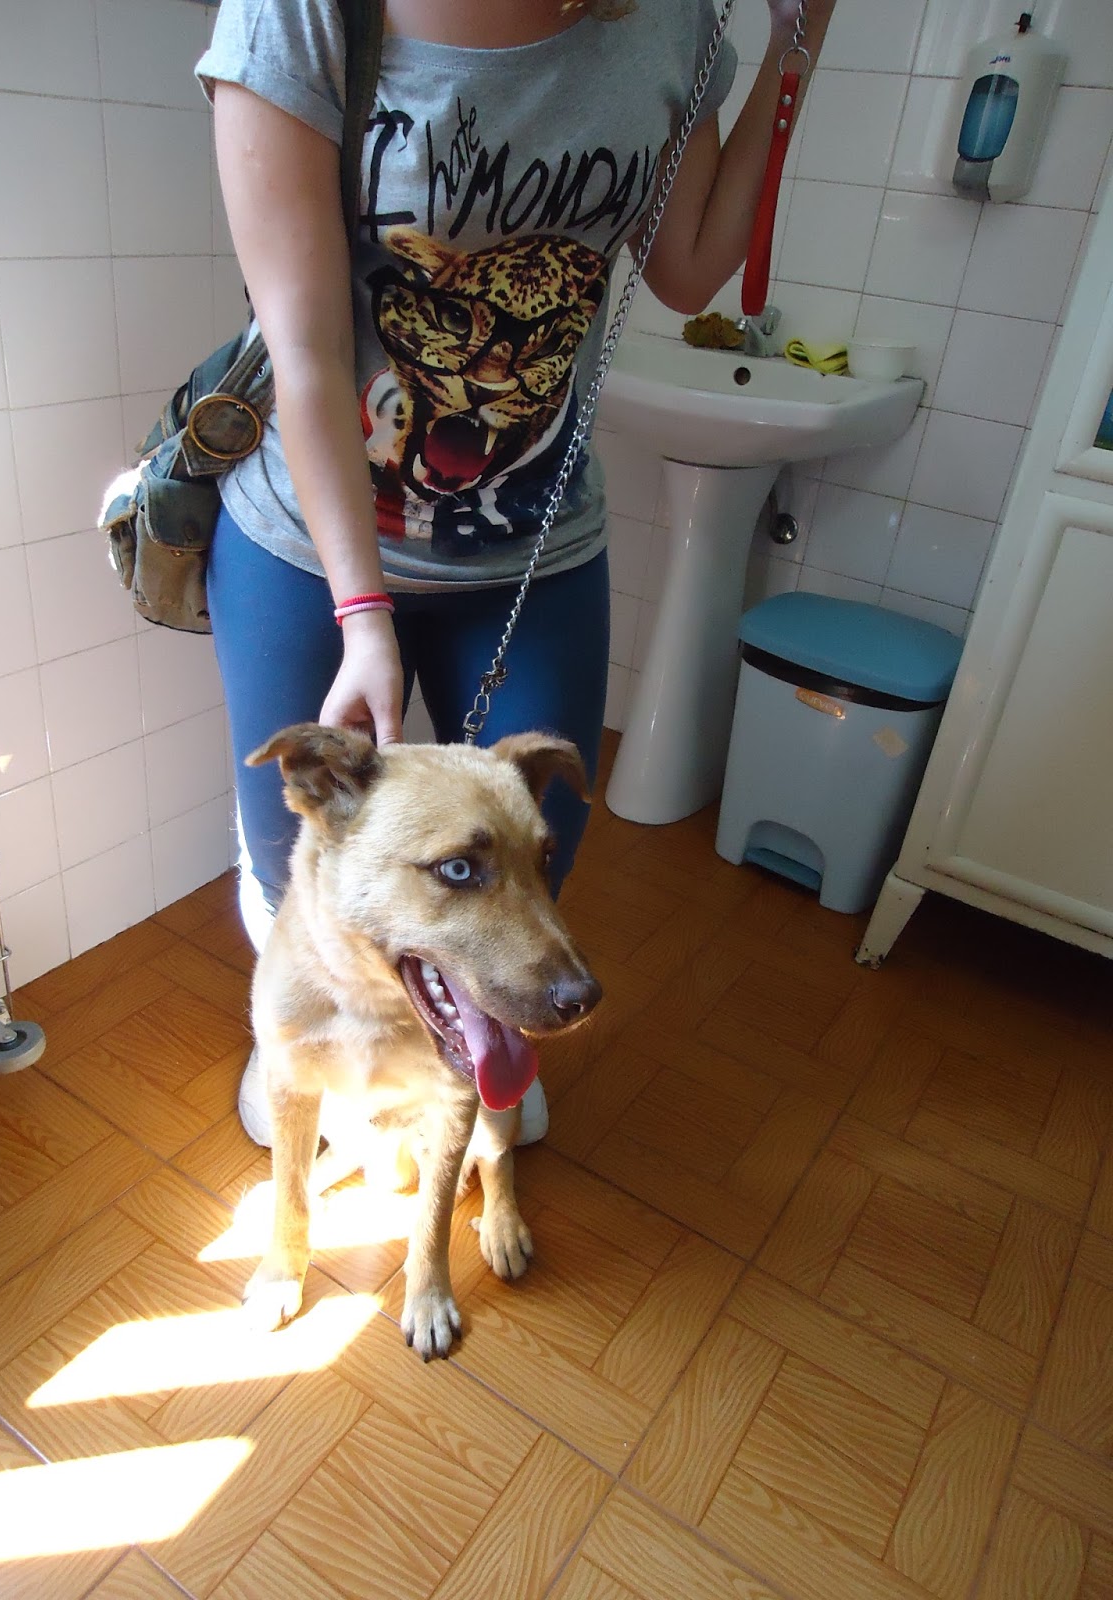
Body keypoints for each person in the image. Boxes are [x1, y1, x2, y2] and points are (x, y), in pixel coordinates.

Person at [195, 0, 836, 1146]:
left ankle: (474, 1038)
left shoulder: (670, 21)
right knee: (301, 865)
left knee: (533, 851)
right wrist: (363, 615)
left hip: (532, 543)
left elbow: (688, 270)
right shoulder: (300, 14)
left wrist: (800, 33)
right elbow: (307, 346)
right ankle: (300, 1037)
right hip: (312, 540)